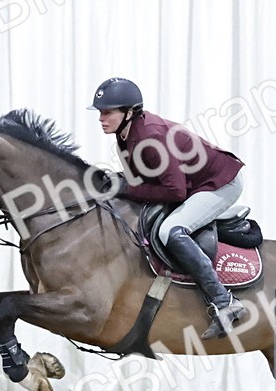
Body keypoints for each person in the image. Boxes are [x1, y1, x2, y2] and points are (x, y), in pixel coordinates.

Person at [89, 77, 247, 340]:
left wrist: (126, 188)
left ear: (129, 113)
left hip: (220, 182)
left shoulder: (150, 137)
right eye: (100, 112)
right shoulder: (124, 136)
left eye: (108, 112)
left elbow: (176, 192)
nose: (101, 118)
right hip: (194, 182)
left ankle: (225, 301)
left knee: (171, 231)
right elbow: (145, 180)